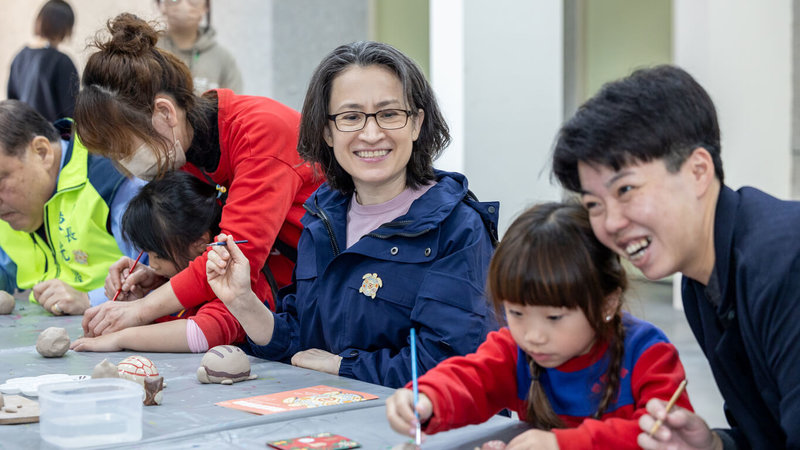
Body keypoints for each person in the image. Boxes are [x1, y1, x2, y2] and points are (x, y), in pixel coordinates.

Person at [205, 41, 499, 388]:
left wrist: (343, 367)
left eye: (390, 114)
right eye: (350, 117)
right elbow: (303, 343)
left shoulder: (459, 228)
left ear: (417, 123)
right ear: (327, 131)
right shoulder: (322, 216)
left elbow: (456, 366)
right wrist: (242, 300)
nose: (371, 134)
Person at [552, 65, 800, 449]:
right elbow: (769, 435)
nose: (612, 223)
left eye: (626, 189)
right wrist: (714, 447)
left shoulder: (784, 261)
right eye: (593, 204)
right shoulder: (702, 283)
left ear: (698, 171)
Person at [73, 13, 320, 342]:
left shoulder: (259, 133)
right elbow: (211, 256)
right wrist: (160, 273)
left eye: (124, 148)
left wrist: (141, 310)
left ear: (164, 113)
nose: (124, 166)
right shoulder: (189, 154)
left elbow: (231, 264)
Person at [385, 202, 692, 449]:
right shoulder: (514, 349)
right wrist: (427, 399)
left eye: (554, 318)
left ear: (607, 303)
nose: (533, 336)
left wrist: (562, 444)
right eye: (516, 313)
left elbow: (666, 435)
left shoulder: (647, 353)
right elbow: (472, 379)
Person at [0, 100, 144, 315]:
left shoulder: (115, 180)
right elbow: (5, 271)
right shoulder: (12, 205)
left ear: (41, 152)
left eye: (1, 180)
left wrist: (91, 299)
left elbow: (166, 277)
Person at [72, 171, 241, 352]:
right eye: (147, 253)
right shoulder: (169, 279)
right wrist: (134, 305)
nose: (152, 265)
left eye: (159, 255)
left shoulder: (231, 277)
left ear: (200, 242)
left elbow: (202, 333)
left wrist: (120, 337)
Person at [7, 0, 79, 122]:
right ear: (66, 27)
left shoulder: (19, 57)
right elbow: (71, 112)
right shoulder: (62, 62)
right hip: (52, 138)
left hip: (22, 136)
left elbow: (12, 104)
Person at [156, 0, 243, 94]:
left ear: (206, 7)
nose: (184, 5)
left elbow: (235, 105)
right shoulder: (149, 49)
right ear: (162, 4)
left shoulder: (223, 60)